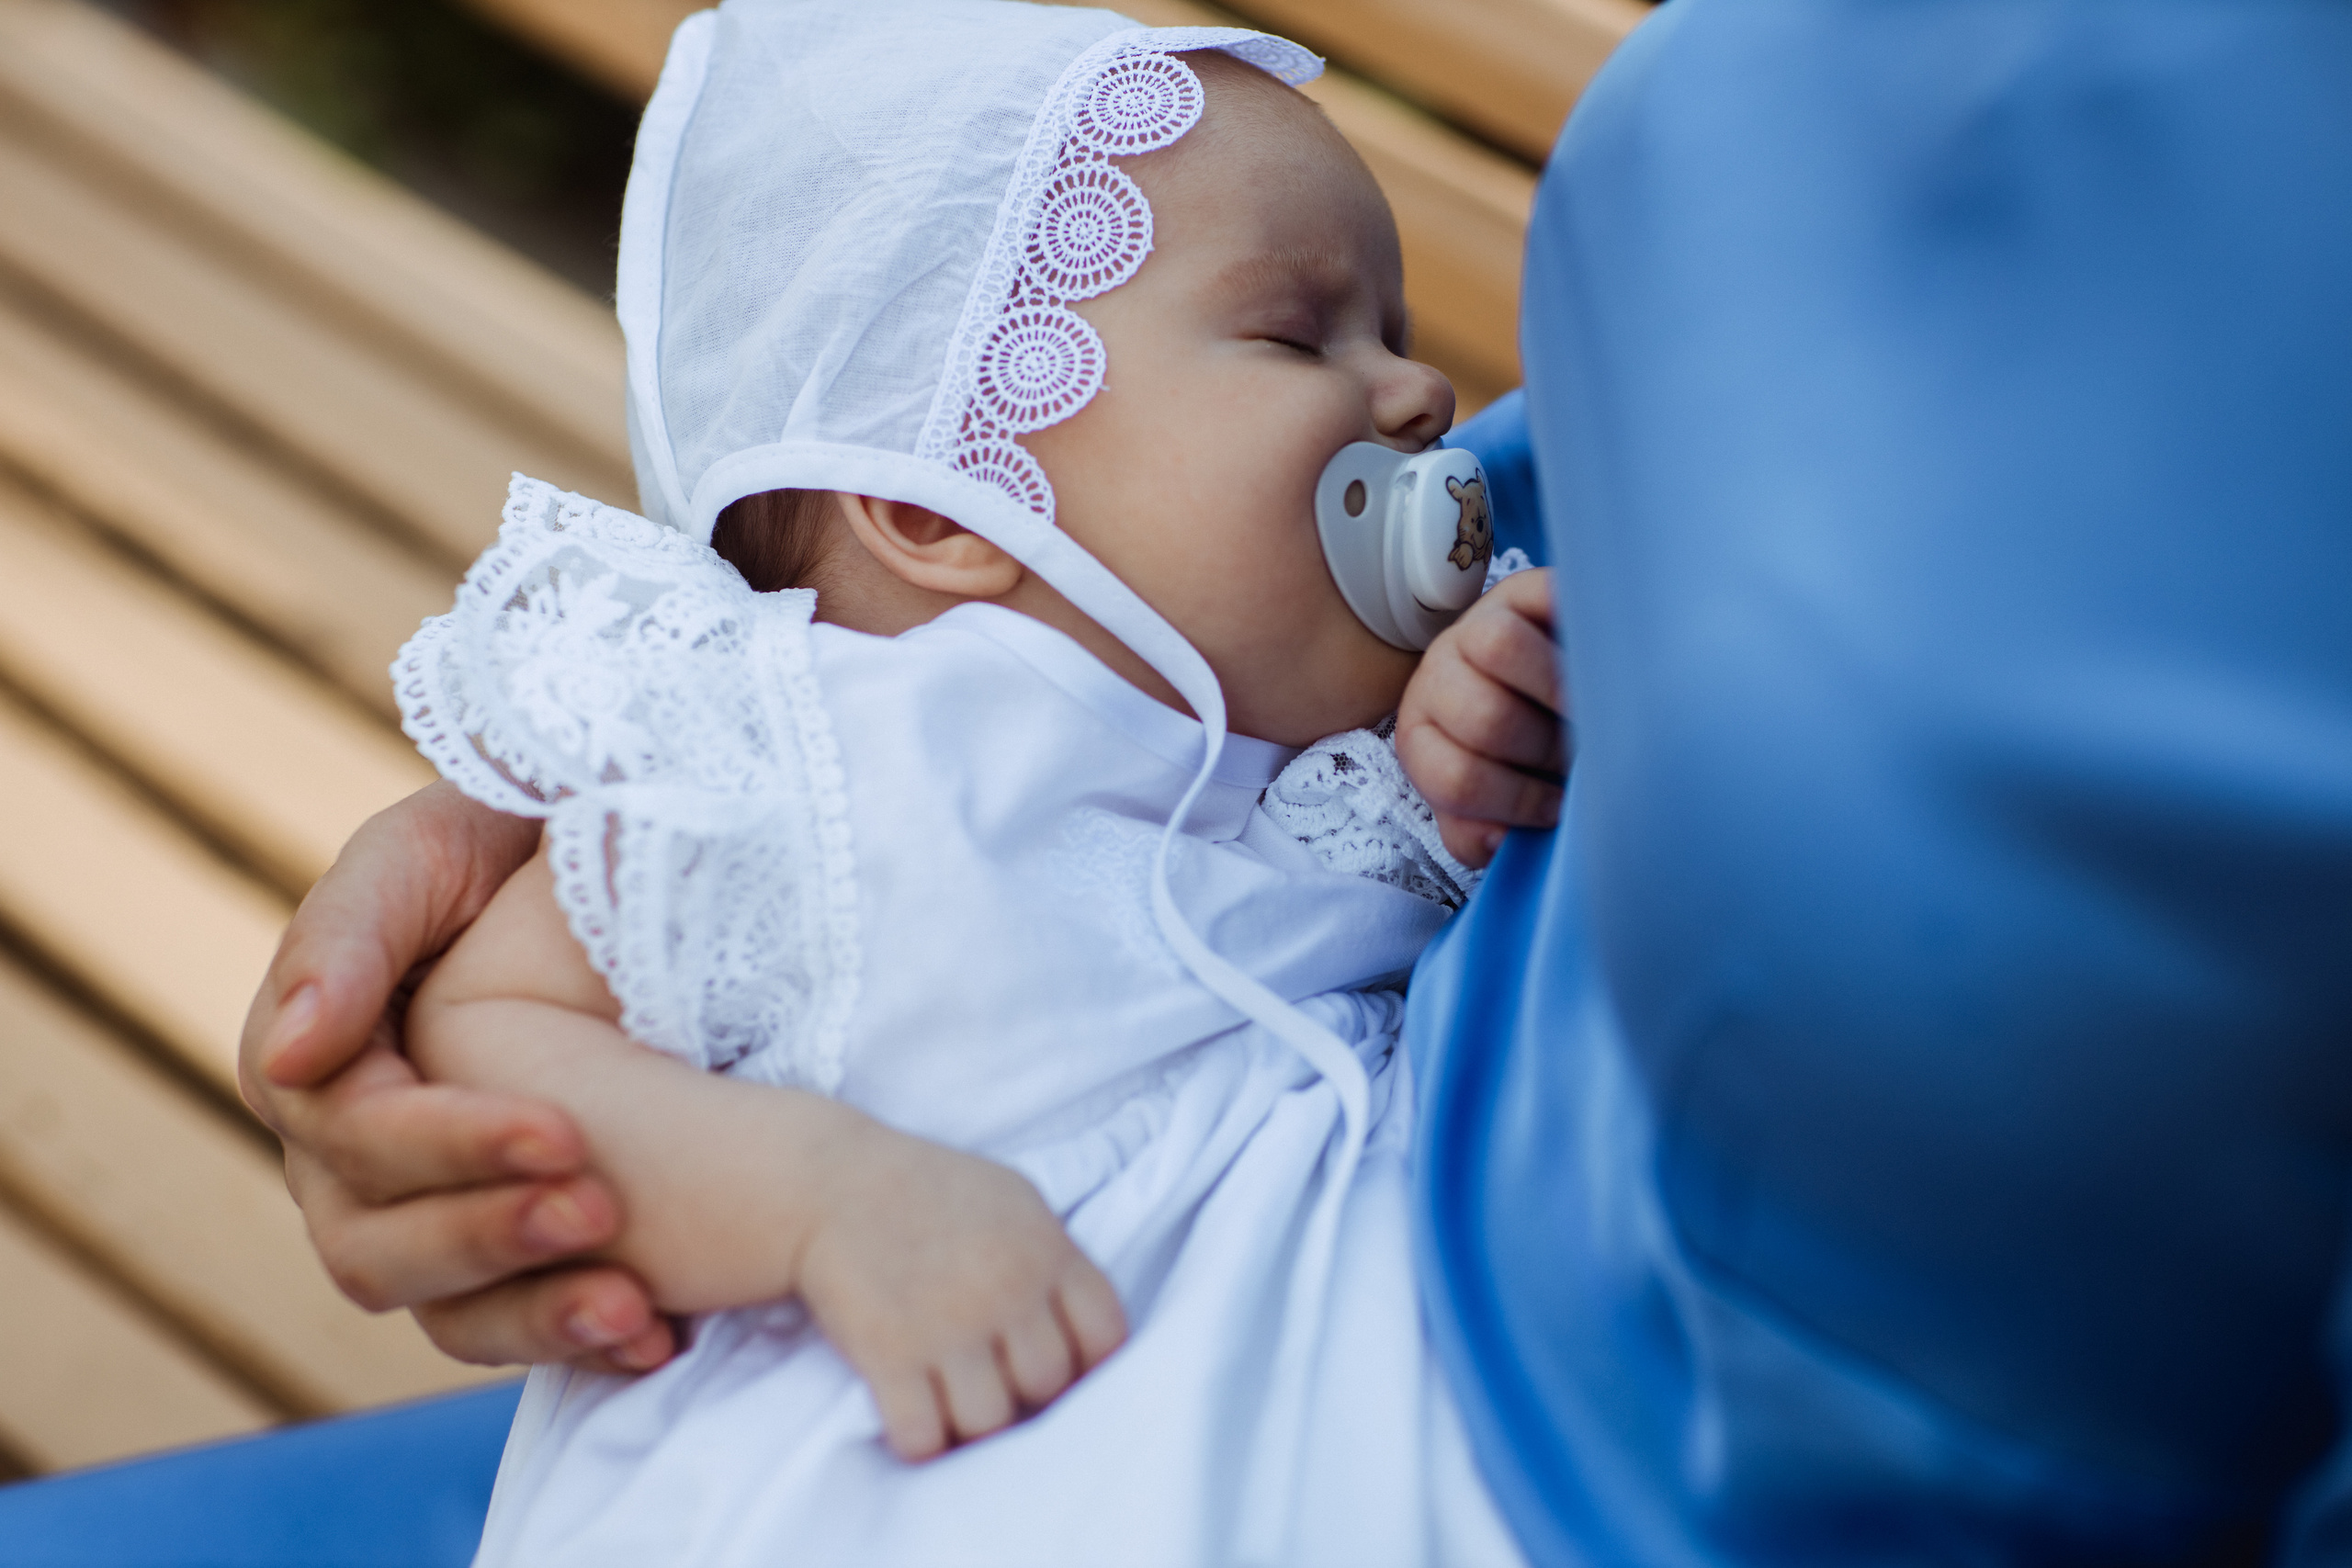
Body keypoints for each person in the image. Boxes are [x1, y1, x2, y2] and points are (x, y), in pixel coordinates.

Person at [265, 4, 1549, 1564]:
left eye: (1396, 332)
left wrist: (1491, 747)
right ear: (939, 509)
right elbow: (488, 1034)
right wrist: (823, 1203)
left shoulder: (1349, 774)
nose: (1419, 396)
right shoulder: (825, 745)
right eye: (1299, 335)